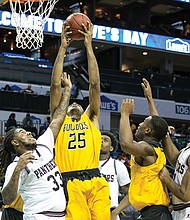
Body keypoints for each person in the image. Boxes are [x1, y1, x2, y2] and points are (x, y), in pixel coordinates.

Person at [50, 23, 110, 219]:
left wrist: (89, 45)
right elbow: (55, 84)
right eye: (70, 104)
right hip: (70, 180)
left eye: (77, 103)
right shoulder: (58, 122)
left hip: (95, 178)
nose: (74, 104)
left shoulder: (91, 117)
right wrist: (62, 48)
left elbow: (94, 84)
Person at [0, 72, 71, 220]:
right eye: (23, 133)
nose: (29, 133)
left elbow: (58, 118)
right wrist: (18, 171)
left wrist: (68, 91)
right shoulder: (15, 167)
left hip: (60, 216)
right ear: (15, 142)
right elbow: (7, 199)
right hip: (38, 217)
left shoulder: (43, 145)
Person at [119, 79, 172, 220]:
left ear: (148, 130)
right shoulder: (157, 147)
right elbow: (157, 122)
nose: (138, 125)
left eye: (142, 123)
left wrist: (124, 114)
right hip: (156, 213)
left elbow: (125, 144)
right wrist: (149, 97)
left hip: (155, 213)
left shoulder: (146, 148)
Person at [99, 131, 131, 220]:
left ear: (111, 148)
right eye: (99, 139)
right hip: (89, 212)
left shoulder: (118, 165)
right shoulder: (86, 163)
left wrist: (116, 212)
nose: (101, 141)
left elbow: (130, 193)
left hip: (109, 213)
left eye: (105, 140)